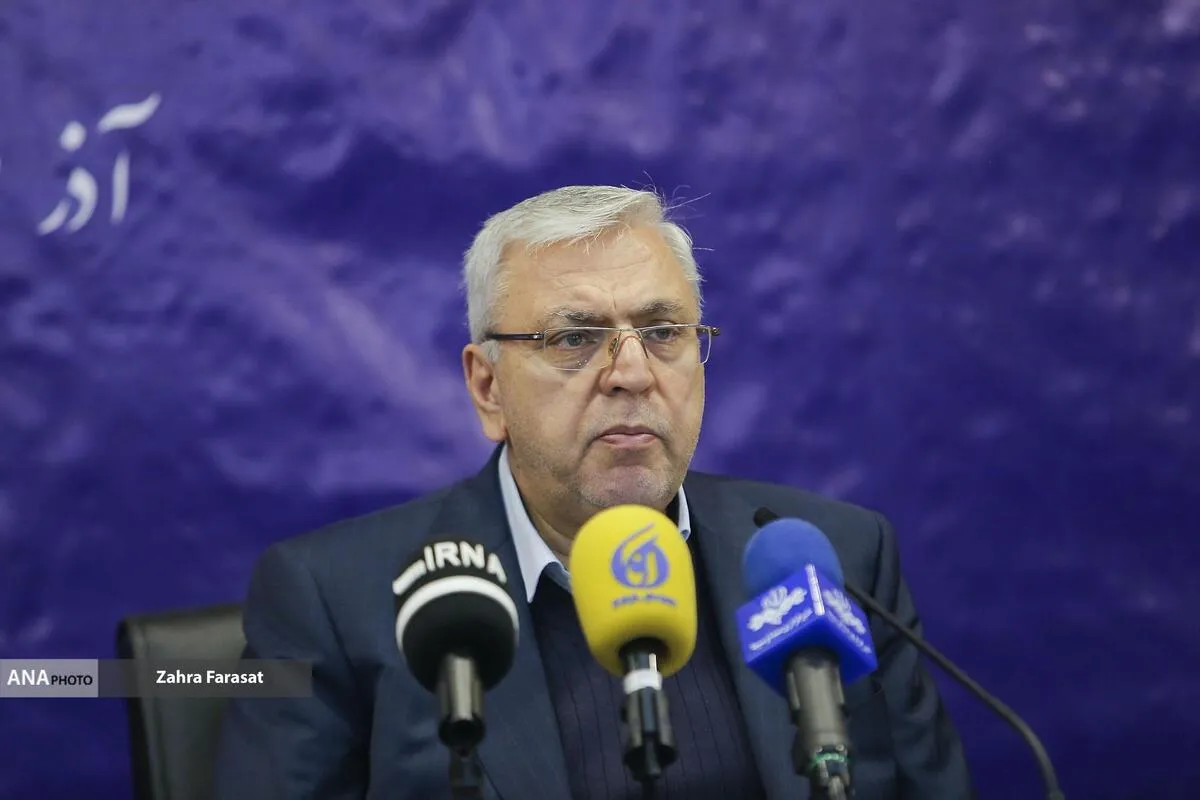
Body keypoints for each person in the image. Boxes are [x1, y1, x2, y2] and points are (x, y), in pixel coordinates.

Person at [213, 185, 974, 799]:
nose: (633, 372)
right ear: (487, 388)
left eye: (663, 331)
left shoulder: (832, 559)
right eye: (575, 339)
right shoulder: (331, 602)